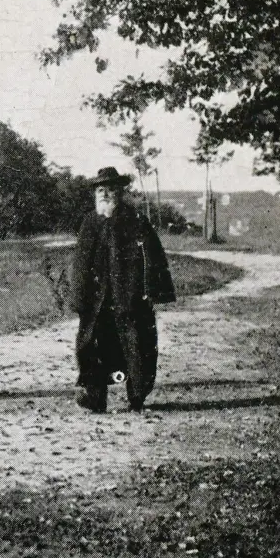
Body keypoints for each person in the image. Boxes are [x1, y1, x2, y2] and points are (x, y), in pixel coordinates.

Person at [69, 167, 175, 413]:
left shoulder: (135, 221)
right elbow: (80, 263)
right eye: (100, 190)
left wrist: (151, 291)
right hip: (98, 300)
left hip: (129, 297)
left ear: (121, 192)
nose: (105, 194)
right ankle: (94, 396)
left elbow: (152, 258)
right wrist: (79, 296)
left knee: (137, 346)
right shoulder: (90, 222)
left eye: (111, 189)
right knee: (91, 345)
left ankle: (137, 396)